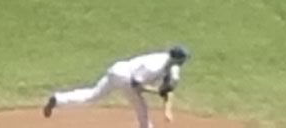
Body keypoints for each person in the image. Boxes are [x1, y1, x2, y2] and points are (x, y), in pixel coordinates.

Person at [45, 45, 190, 124]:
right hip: (125, 77)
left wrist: (167, 110)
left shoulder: (171, 66)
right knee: (142, 110)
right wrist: (156, 91)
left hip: (117, 69)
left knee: (93, 94)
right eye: (183, 59)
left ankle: (58, 99)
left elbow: (168, 90)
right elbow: (136, 85)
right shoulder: (155, 66)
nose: (184, 62)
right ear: (176, 58)